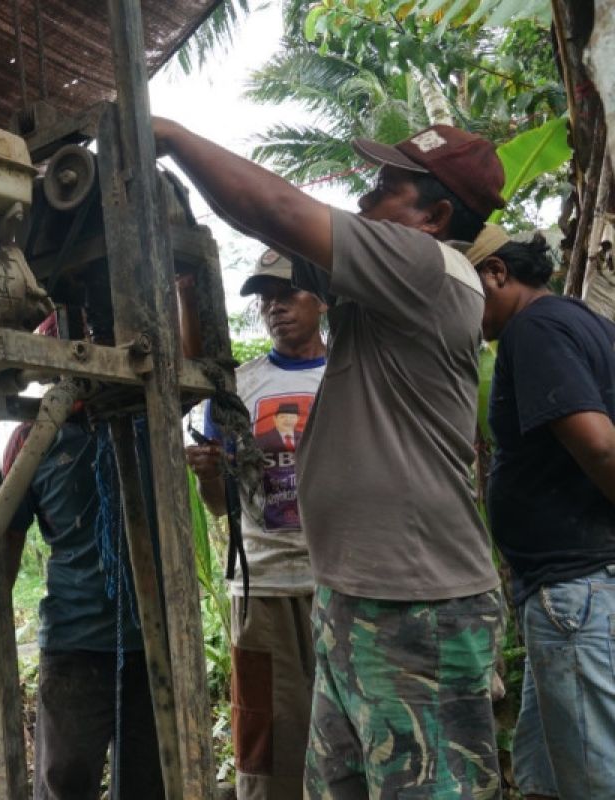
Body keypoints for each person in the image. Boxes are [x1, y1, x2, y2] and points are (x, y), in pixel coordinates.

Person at [154, 120, 505, 797]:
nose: (366, 200)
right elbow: (279, 236)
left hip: (414, 607)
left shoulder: (426, 269)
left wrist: (168, 134)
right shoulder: (380, 298)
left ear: (434, 218)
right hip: (353, 598)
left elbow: (280, 210)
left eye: (385, 189)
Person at [469, 224, 615, 800]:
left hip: (574, 588)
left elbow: (599, 444)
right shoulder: (586, 322)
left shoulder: (534, 330)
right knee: (544, 778)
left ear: (498, 274)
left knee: (595, 780)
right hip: (567, 593)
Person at [3, 317, 165, 800]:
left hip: (152, 644)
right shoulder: (33, 438)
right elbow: (5, 541)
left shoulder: (147, 420)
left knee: (148, 782)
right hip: (75, 644)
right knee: (65, 781)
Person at [187, 249, 325, 799]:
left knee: (355, 735)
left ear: (319, 297)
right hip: (262, 587)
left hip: (341, 584)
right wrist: (206, 475)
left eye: (287, 294)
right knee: (267, 746)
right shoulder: (235, 391)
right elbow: (221, 506)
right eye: (265, 298)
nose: (275, 308)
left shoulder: (348, 376)